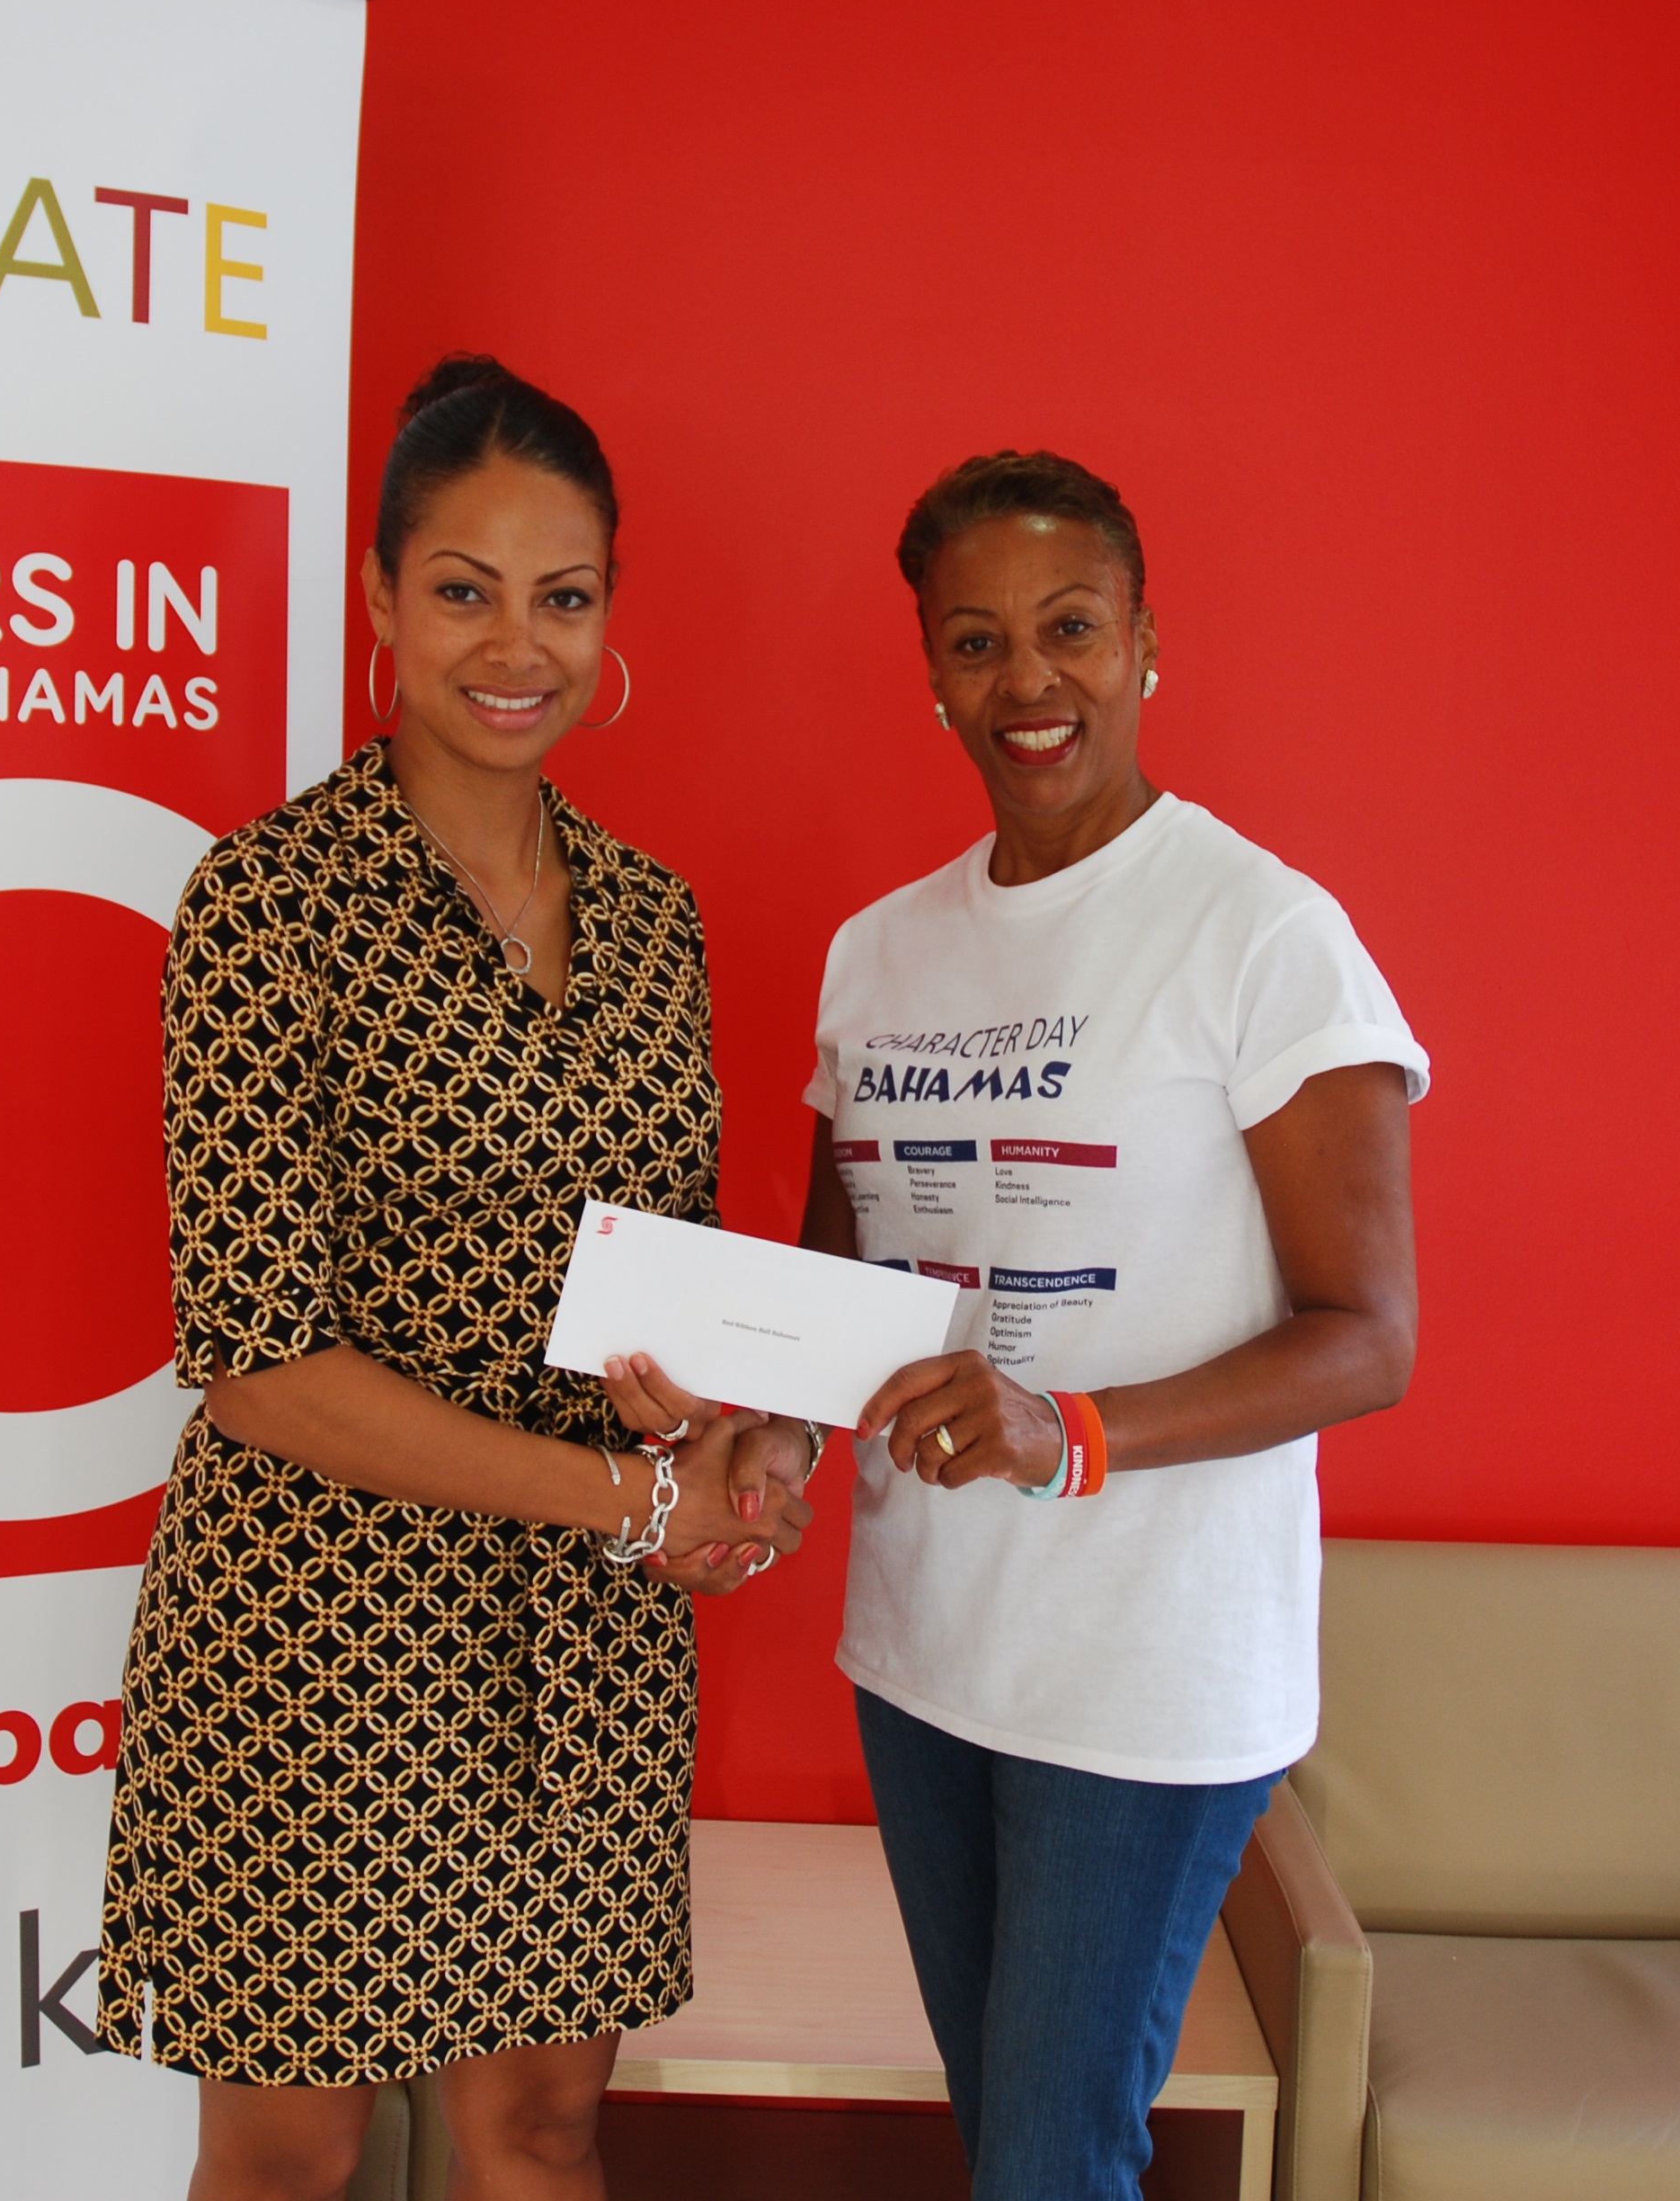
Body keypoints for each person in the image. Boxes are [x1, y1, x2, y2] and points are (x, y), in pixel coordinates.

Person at [96, 354, 812, 2201]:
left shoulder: (653, 918)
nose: (516, 645)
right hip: (318, 1632)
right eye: (464, 590)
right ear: (380, 599)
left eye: (560, 596)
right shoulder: (264, 903)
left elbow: (672, 1289)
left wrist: (734, 1444)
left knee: (539, 2135)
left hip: (582, 1642)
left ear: (607, 613)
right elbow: (257, 1360)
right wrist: (623, 1497)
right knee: (291, 2160)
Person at [790, 451, 1427, 2199]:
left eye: (1069, 626)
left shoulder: (1262, 934)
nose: (1027, 678)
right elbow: (845, 1288)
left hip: (1144, 1671)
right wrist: (746, 1416)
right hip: (924, 1645)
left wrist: (1064, 1431)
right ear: (931, 672)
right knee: (1009, 2136)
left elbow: (1368, 1336)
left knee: (1047, 2161)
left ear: (1146, 641)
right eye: (976, 639)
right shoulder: (877, 954)